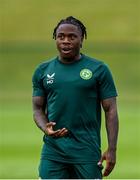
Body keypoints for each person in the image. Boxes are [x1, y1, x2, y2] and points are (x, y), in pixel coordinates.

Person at [32, 16, 119, 179]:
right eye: (61, 36)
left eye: (72, 37)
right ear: (55, 39)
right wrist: (46, 128)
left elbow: (111, 109)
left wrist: (112, 149)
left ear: (82, 40)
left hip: (86, 151)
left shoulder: (99, 69)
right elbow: (37, 109)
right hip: (53, 152)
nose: (66, 41)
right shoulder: (43, 71)